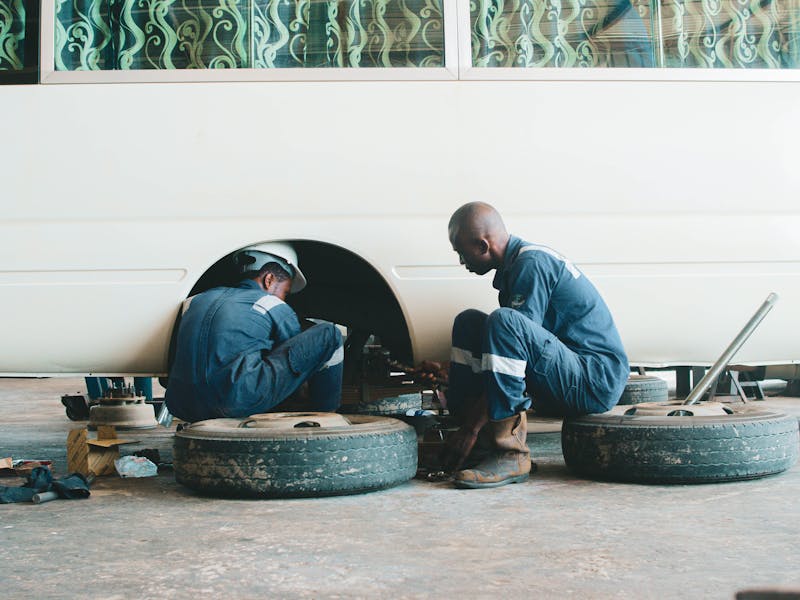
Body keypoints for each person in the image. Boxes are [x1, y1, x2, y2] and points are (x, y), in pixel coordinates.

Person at [434, 202, 629, 489]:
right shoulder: (515, 266)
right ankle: (481, 449)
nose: (462, 261)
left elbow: (514, 346)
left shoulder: (531, 264)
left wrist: (471, 428)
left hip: (594, 379)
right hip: (569, 372)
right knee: (469, 323)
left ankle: (510, 453)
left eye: (461, 252)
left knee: (504, 323)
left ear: (482, 245)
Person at [165, 243, 343, 422]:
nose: (284, 298)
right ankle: (327, 420)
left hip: (182, 404)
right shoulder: (271, 303)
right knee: (330, 334)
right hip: (235, 401)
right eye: (285, 291)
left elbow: (171, 361)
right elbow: (296, 358)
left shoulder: (195, 301)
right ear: (269, 279)